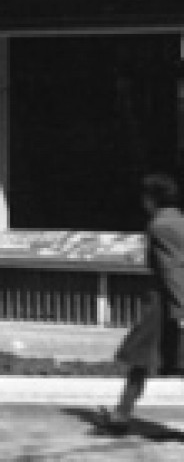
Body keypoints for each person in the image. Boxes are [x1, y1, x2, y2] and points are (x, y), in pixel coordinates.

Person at [110, 172, 184, 434]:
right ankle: (120, 414)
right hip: (169, 303)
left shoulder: (160, 225)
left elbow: (171, 269)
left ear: (153, 198)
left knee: (144, 360)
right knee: (145, 360)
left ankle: (121, 415)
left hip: (165, 306)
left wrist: (180, 308)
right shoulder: (178, 221)